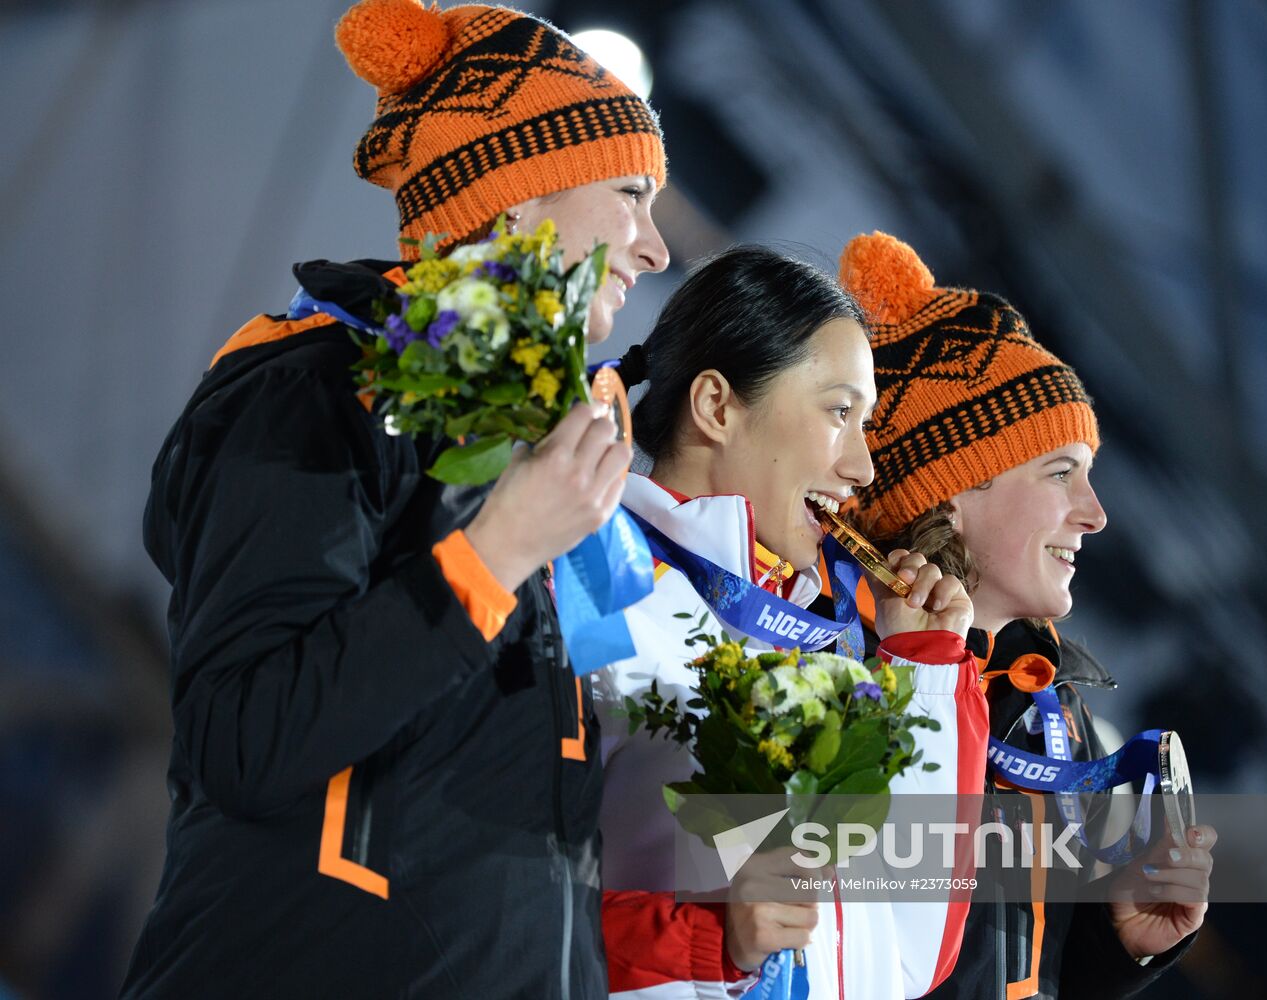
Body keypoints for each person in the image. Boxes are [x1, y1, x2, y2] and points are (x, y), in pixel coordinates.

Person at [120, 1, 668, 997]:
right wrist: (491, 554)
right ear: (516, 198)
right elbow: (246, 740)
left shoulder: (547, 466)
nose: (652, 247)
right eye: (629, 194)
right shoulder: (319, 385)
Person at [595, 246, 991, 999]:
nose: (863, 467)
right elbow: (496, 897)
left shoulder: (829, 655)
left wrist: (923, 668)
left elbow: (909, 959)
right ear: (715, 408)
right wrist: (707, 943)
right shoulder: (598, 593)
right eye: (839, 413)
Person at [837, 231, 1215, 999]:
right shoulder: (837, 655)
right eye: (1060, 473)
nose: (1095, 514)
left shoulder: (1049, 712)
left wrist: (1117, 949)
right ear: (950, 491)